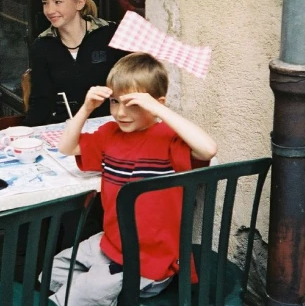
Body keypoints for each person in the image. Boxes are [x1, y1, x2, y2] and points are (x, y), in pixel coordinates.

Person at [47, 52, 218, 306]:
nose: (121, 112)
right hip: (111, 241)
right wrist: (86, 108)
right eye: (115, 102)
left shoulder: (169, 139)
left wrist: (160, 109)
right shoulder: (109, 133)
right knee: (51, 272)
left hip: (149, 260)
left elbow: (208, 149)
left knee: (73, 296)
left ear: (155, 104)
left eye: (133, 104)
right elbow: (67, 147)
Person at [24, 0, 127, 126]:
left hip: (111, 125)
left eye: (57, 2)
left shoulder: (110, 34)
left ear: (80, 3)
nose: (50, 10)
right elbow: (40, 102)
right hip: (64, 128)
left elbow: (132, 85)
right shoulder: (42, 46)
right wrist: (24, 134)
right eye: (45, 3)